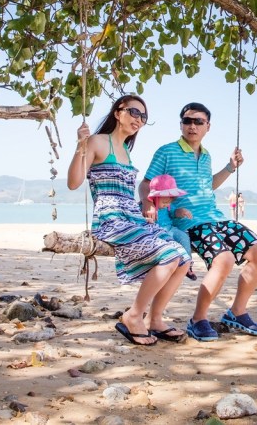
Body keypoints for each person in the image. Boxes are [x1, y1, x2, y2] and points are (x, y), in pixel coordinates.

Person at [67, 94, 192, 346]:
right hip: (110, 219)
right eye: (134, 112)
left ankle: (155, 320)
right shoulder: (97, 141)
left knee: (183, 259)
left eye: (143, 116)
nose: (139, 119)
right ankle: (133, 316)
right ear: (117, 112)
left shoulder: (125, 150)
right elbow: (73, 183)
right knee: (169, 255)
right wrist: (80, 145)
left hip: (131, 218)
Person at [140, 102, 257, 342]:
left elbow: (207, 185)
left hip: (216, 217)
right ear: (181, 124)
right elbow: (146, 183)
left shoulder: (207, 154)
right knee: (225, 259)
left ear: (207, 127)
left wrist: (230, 167)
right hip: (189, 222)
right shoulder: (166, 151)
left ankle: (237, 311)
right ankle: (198, 319)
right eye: (187, 121)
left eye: (198, 121)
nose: (192, 126)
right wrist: (148, 205)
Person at [147, 174, 198, 280]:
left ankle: (188, 264)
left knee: (183, 237)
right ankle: (168, 264)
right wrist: (146, 219)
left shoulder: (169, 206)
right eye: (164, 202)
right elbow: (137, 217)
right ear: (155, 197)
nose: (167, 204)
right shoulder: (148, 206)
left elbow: (173, 212)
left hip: (170, 229)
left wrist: (180, 212)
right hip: (156, 232)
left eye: (169, 201)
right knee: (168, 245)